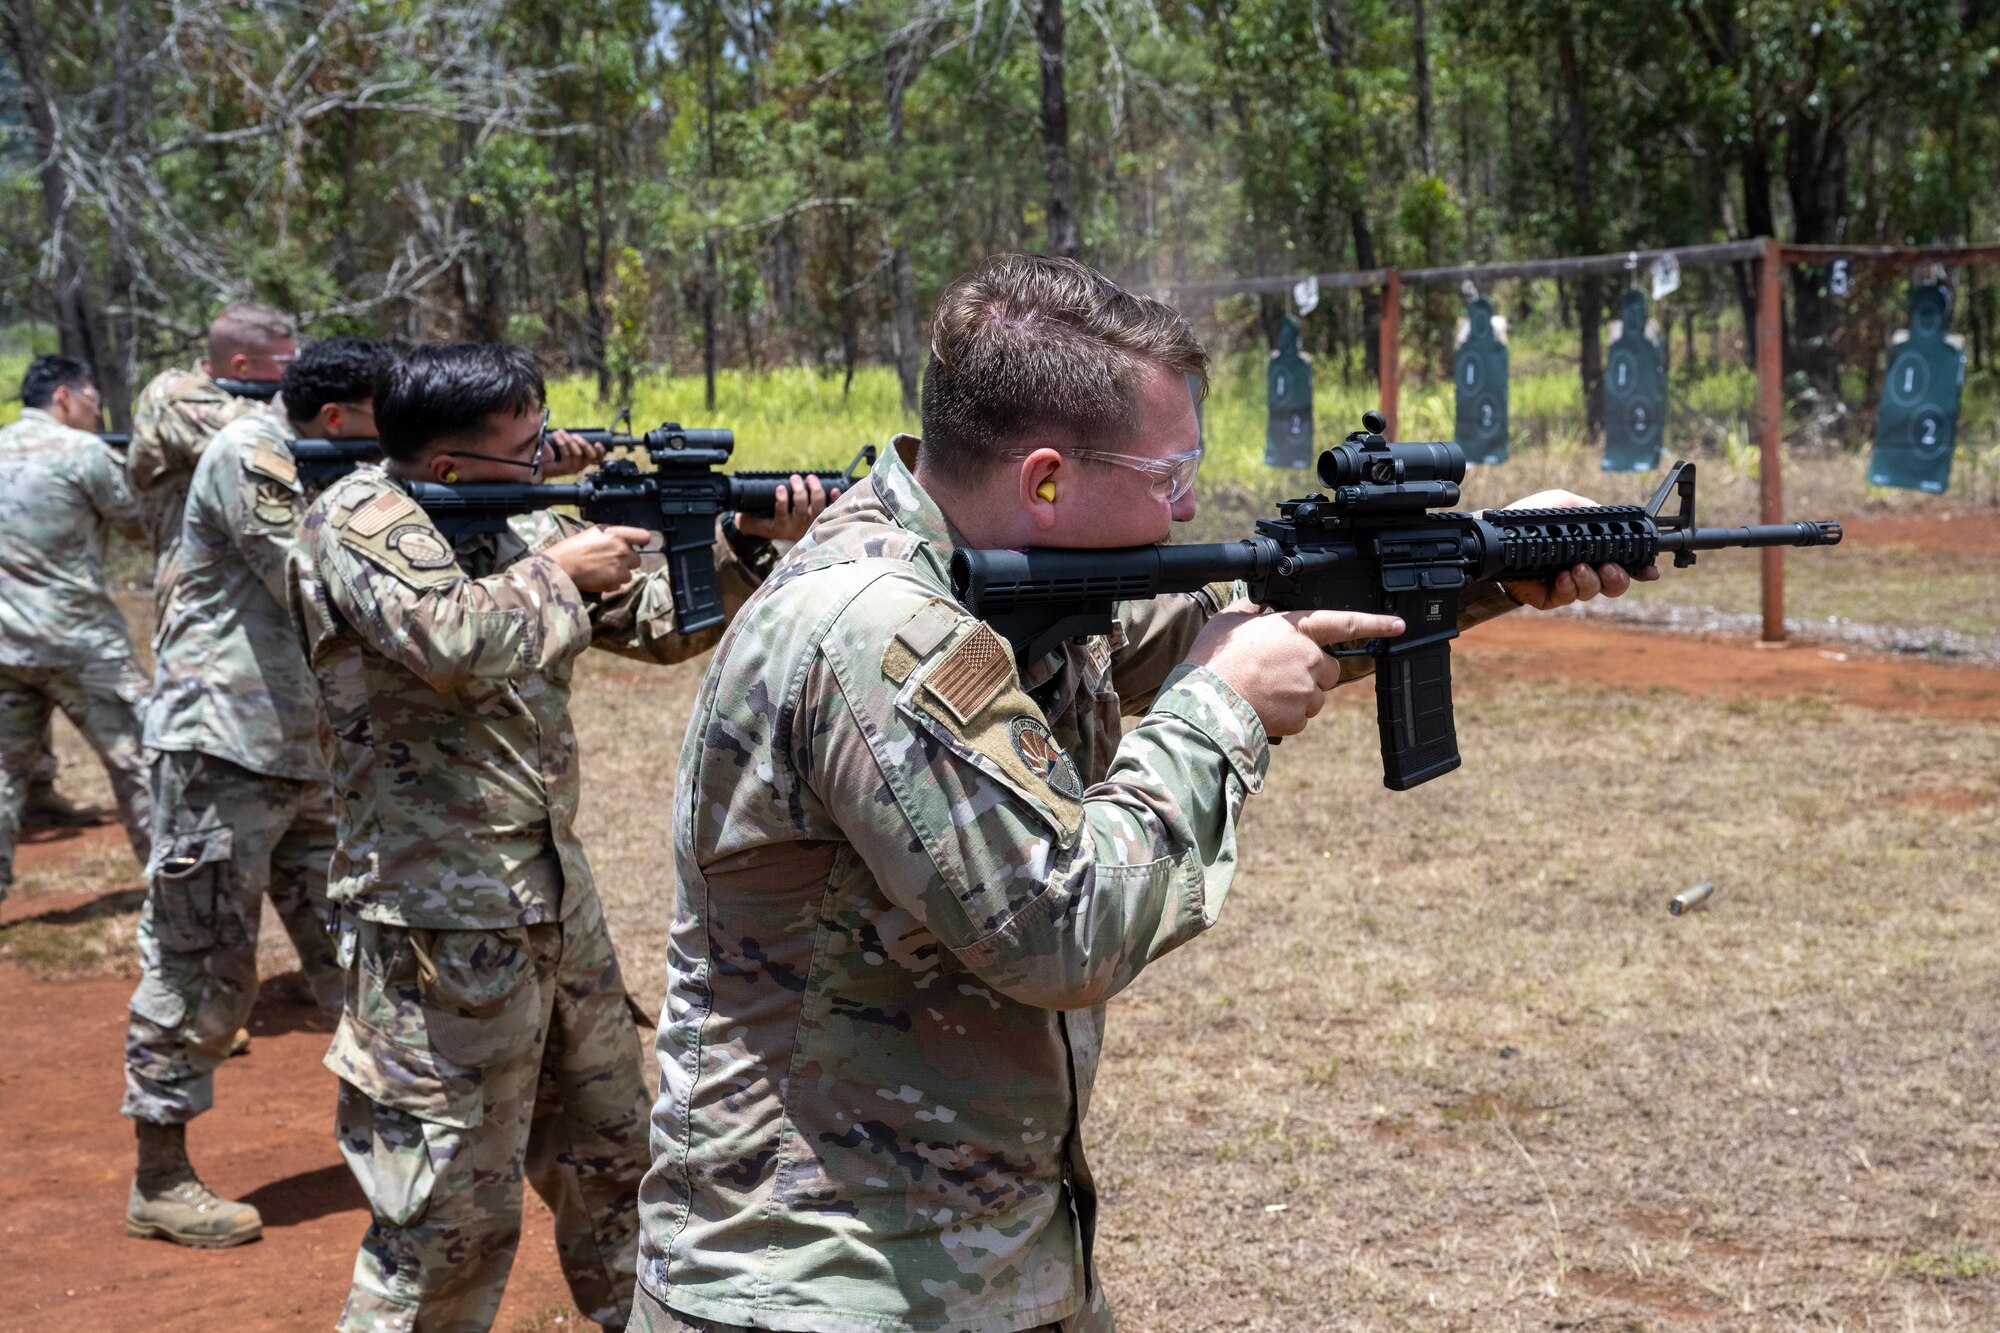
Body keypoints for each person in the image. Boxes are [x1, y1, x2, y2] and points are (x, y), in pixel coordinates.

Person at [630, 254, 1654, 1333]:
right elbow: (1060, 925)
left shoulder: (985, 566)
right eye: (1168, 474)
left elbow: (1217, 616)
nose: (1190, 500)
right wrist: (1220, 712)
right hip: (817, 1286)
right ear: (1042, 478)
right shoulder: (883, 628)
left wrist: (1483, 557)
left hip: (964, 1252)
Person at [286, 343, 833, 1332]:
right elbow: (448, 640)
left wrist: (750, 543)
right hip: (431, 931)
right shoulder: (358, 521)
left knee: (621, 1163)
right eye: (526, 444)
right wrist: (555, 569)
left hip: (549, 898)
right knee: (447, 1219)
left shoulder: (517, 517)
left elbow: (657, 624)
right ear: (450, 465)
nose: (550, 458)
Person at [122, 336, 393, 1250]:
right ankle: (160, 1178)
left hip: (306, 757)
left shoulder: (324, 460)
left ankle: (389, 1147)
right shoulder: (248, 452)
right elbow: (315, 580)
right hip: (221, 750)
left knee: (360, 958)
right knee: (202, 964)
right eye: (380, 421)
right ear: (334, 419)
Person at [0, 355, 152, 907]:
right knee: (140, 762)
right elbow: (139, 527)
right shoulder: (84, 453)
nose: (98, 407)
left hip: (5, 643)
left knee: (2, 774)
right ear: (64, 396)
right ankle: (175, 895)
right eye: (92, 396)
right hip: (79, 642)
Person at [128, 301, 298, 607]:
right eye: (286, 361)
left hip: (261, 590)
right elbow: (263, 431)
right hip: (205, 603)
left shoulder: (235, 397)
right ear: (241, 365)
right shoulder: (174, 395)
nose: (294, 373)